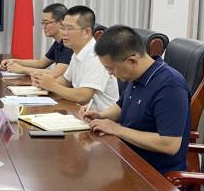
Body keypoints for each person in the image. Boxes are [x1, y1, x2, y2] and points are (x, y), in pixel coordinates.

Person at [81, 25, 191, 174]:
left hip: (155, 175)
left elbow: (169, 144)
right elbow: (122, 106)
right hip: (127, 159)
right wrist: (101, 115)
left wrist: (118, 129)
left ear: (132, 61)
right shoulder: (135, 74)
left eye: (111, 69)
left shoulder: (170, 86)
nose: (110, 74)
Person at [32, 5, 119, 111]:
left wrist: (52, 86)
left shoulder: (97, 56)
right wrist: (44, 84)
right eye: (63, 27)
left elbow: (83, 96)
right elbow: (66, 80)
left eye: (69, 28)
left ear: (86, 32)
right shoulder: (77, 51)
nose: (64, 33)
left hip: (101, 117)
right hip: (81, 112)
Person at [0, 3, 72, 76]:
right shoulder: (58, 43)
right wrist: (14, 61)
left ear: (60, 23)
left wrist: (21, 69)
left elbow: (56, 73)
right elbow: (40, 64)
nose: (44, 27)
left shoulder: (69, 44)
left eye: (46, 23)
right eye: (43, 23)